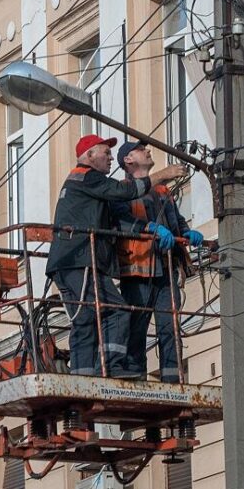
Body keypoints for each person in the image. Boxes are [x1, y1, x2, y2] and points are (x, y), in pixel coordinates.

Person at [46, 134, 186, 378]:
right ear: (90, 155)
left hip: (73, 261)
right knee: (117, 310)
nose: (111, 157)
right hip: (84, 261)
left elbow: (121, 218)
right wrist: (163, 174)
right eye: (106, 152)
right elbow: (124, 194)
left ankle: (84, 377)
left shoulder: (88, 184)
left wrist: (175, 231)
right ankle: (111, 366)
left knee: (86, 318)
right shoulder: (88, 177)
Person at [111, 141, 204, 382]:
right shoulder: (122, 189)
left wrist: (187, 232)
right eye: (142, 150)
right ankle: (135, 377)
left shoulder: (162, 191)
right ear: (129, 160)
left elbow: (177, 221)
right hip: (137, 270)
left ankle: (172, 378)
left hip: (165, 268)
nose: (148, 151)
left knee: (169, 327)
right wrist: (149, 228)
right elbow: (121, 220)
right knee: (137, 327)